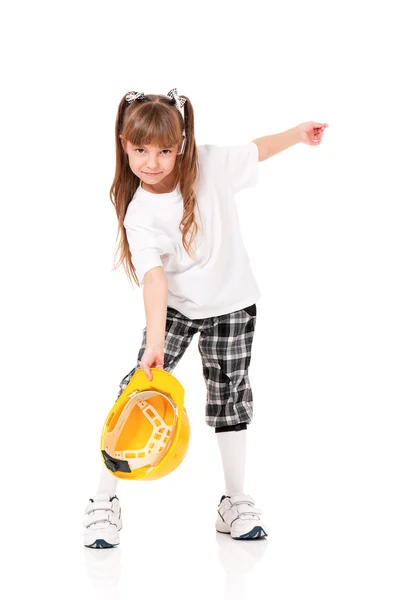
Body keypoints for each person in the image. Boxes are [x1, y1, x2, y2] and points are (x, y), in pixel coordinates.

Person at [83, 87, 328, 547]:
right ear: (123, 144)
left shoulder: (211, 166)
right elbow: (154, 280)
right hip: (175, 309)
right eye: (140, 150)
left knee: (230, 398)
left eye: (164, 151)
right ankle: (103, 501)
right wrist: (155, 343)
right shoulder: (138, 213)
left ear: (182, 146)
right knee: (137, 390)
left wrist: (297, 134)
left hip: (232, 305)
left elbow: (259, 149)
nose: (151, 162)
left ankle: (233, 501)